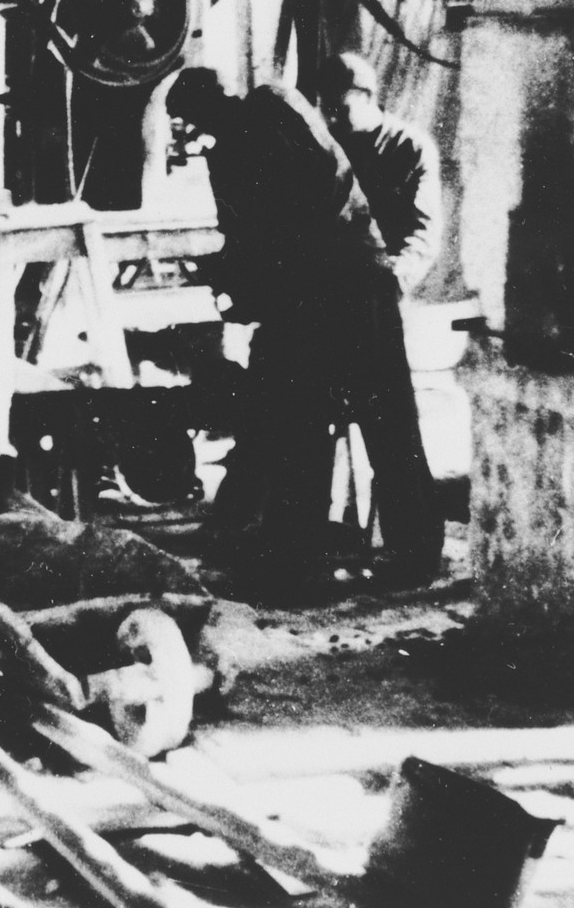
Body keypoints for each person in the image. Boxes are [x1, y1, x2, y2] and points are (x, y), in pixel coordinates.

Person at [164, 67, 444, 597]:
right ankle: (293, 552)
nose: (197, 131)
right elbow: (245, 234)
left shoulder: (274, 107)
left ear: (219, 99)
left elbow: (317, 192)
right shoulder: (230, 150)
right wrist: (232, 274)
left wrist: (259, 265)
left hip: (352, 284)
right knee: (299, 423)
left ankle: (414, 553)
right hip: (311, 293)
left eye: (196, 117)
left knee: (386, 420)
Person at [321, 52, 442, 295]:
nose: (332, 116)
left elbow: (424, 231)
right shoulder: (326, 146)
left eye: (340, 107)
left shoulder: (410, 148)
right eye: (327, 106)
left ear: (367, 96)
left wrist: (396, 278)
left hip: (385, 286)